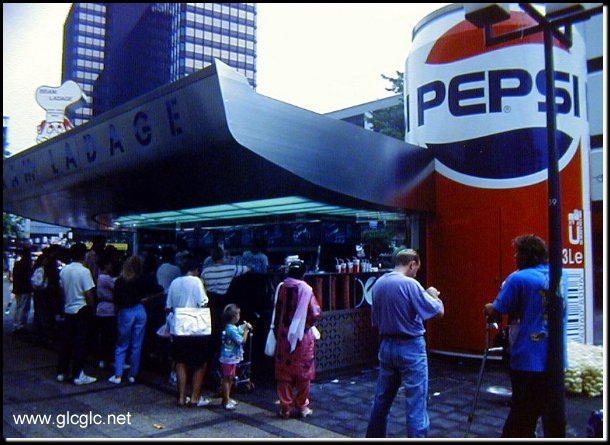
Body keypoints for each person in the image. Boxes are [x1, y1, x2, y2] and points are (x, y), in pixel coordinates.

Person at [484, 234, 567, 438]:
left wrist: (488, 307)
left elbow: (497, 310)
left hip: (528, 357)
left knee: (522, 413)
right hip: (556, 357)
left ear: (528, 255)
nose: (515, 257)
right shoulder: (560, 275)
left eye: (518, 252)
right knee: (549, 411)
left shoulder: (518, 278)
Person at [365, 249, 444, 438]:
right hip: (410, 347)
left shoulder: (378, 284)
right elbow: (438, 311)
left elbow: (375, 320)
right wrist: (433, 294)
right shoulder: (410, 284)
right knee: (416, 404)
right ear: (412, 264)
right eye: (416, 268)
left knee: (381, 400)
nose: (416, 273)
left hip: (386, 346)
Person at [273, 260, 321, 419]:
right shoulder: (306, 290)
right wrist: (304, 326)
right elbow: (315, 313)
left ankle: (285, 408)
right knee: (303, 373)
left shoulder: (281, 287)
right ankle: (302, 406)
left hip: (283, 335)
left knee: (284, 373)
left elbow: (277, 310)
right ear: (303, 274)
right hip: (302, 336)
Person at [166, 255, 213, 407]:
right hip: (196, 328)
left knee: (180, 362)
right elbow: (203, 303)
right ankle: (194, 397)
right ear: (196, 270)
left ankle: (181, 397)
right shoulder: (196, 281)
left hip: (179, 327)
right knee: (200, 363)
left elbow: (168, 306)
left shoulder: (174, 282)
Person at [108, 255, 162, 385]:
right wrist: (147, 299)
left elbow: (116, 300)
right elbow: (160, 290)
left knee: (122, 344)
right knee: (137, 344)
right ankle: (133, 374)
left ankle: (118, 374)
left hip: (126, 311)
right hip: (140, 310)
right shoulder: (143, 279)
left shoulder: (120, 280)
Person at [57, 243, 98, 385]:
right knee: (80, 343)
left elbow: (62, 291)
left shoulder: (64, 270)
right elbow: (88, 293)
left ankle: (62, 371)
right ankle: (78, 373)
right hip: (81, 309)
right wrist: (92, 308)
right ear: (83, 255)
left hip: (68, 308)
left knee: (66, 342)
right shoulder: (84, 271)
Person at [201, 246, 250, 350]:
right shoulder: (230, 269)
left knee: (212, 328)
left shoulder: (205, 271)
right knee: (225, 328)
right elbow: (247, 268)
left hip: (211, 302)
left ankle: (212, 351)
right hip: (224, 302)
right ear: (222, 257)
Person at [219, 303, 252, 410]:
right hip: (228, 358)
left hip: (231, 358)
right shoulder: (231, 330)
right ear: (234, 317)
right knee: (227, 378)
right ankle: (225, 400)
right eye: (238, 314)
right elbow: (241, 341)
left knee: (231, 377)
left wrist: (243, 327)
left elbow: (238, 330)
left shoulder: (230, 327)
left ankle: (227, 398)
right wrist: (246, 331)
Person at [95, 252, 118, 370]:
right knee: (109, 336)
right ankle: (107, 359)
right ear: (105, 265)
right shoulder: (106, 278)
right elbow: (117, 287)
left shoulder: (99, 277)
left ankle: (102, 359)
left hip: (101, 309)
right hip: (109, 309)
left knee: (103, 336)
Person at [11, 246, 33, 333]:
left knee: (19, 306)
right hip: (25, 288)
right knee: (24, 307)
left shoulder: (17, 264)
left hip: (18, 288)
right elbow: (28, 277)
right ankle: (20, 325)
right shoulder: (27, 264)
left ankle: (16, 324)